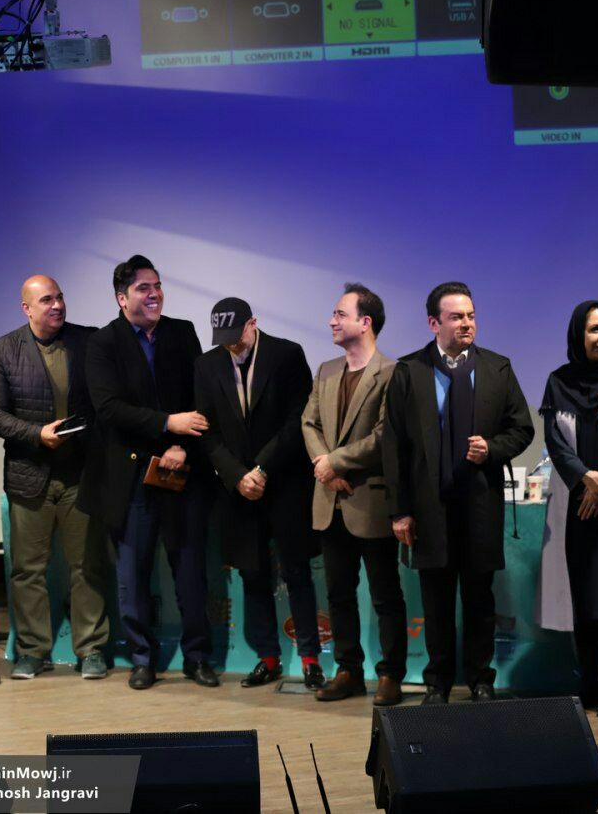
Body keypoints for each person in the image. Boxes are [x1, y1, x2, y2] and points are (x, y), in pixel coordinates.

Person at [383, 282, 534, 704]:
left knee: (480, 599)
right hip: (429, 508)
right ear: (434, 323)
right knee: (436, 602)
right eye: (456, 317)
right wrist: (399, 511)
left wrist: (492, 449)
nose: (467, 323)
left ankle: (481, 680)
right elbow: (393, 445)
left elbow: (521, 428)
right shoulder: (409, 371)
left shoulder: (497, 368)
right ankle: (438, 683)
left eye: (470, 316)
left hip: (480, 504)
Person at [81, 255, 215, 691]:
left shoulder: (183, 332)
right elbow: (109, 409)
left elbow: (200, 397)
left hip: (182, 470)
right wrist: (166, 424)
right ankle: (142, 658)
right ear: (122, 298)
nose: (154, 293)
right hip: (131, 476)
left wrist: (181, 444)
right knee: (132, 575)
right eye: (143, 288)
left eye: (157, 285)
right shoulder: (103, 343)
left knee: (190, 572)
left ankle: (198, 657)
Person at [0, 275, 110, 680]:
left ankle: (91, 649)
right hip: (29, 476)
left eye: (60, 297)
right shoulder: (5, 349)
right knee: (28, 571)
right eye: (46, 300)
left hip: (80, 475)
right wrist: (37, 434)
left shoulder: (88, 341)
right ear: (27, 308)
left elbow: (106, 400)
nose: (56, 305)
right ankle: (33, 651)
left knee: (87, 566)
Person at [196, 297, 325, 691]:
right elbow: (206, 430)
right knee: (252, 574)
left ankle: (310, 659)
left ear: (252, 323)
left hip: (284, 481)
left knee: (297, 571)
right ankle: (267, 657)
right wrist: (238, 476)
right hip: (239, 490)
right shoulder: (206, 365)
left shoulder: (287, 354)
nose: (231, 345)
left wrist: (262, 467)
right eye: (223, 339)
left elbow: (297, 419)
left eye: (236, 336)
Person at [301, 284, 405, 705]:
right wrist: (325, 468)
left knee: (385, 595)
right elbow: (308, 423)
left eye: (340, 314)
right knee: (338, 594)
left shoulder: (392, 372)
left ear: (365, 322)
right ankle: (348, 670)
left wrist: (335, 462)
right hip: (330, 501)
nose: (331, 321)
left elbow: (384, 436)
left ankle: (391, 674)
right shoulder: (326, 370)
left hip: (371, 501)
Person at [538, 301, 598, 717]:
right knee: (582, 596)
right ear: (579, 334)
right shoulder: (559, 381)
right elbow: (555, 441)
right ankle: (590, 683)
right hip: (577, 503)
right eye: (595, 329)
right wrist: (584, 478)